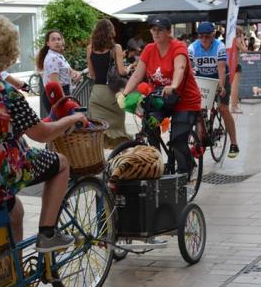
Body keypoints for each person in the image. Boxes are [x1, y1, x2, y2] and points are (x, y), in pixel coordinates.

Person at [0, 16, 84, 287]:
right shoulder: (6, 93)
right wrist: (69, 121)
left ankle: (14, 281)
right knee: (61, 164)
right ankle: (47, 232)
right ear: (6, 53)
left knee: (15, 211)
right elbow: (41, 134)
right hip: (7, 166)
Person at [120, 16, 203, 177]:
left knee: (178, 140)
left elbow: (180, 67)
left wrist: (173, 85)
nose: (155, 33)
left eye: (160, 30)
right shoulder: (149, 49)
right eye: (153, 29)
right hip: (162, 99)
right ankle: (156, 161)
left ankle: (186, 172)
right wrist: (124, 93)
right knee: (149, 125)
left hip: (185, 100)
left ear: (168, 32)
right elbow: (137, 75)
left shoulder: (178, 47)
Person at [188, 22, 240, 158]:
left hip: (219, 78)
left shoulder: (219, 46)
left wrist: (221, 86)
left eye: (207, 36)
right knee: (200, 110)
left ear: (213, 35)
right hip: (202, 79)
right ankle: (199, 143)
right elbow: (188, 69)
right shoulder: (192, 47)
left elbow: (221, 69)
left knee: (223, 108)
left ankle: (234, 143)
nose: (204, 39)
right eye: (201, 37)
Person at [86, 19, 132, 148]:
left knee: (99, 132)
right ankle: (118, 159)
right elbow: (122, 71)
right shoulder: (116, 48)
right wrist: (129, 69)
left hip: (97, 94)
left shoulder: (90, 48)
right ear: (111, 31)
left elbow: (92, 74)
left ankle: (99, 162)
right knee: (118, 131)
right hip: (113, 93)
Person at [36, 30, 81, 113]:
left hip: (60, 93)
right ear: (48, 43)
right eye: (53, 39)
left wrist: (76, 74)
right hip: (56, 95)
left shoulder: (58, 56)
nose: (57, 42)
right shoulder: (52, 58)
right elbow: (55, 83)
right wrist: (65, 100)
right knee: (63, 124)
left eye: (59, 39)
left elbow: (71, 71)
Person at [229, 26, 247, 114]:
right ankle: (234, 106)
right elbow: (245, 50)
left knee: (234, 86)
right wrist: (243, 40)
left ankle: (234, 106)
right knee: (235, 87)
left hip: (231, 63)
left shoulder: (230, 39)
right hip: (234, 63)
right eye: (241, 33)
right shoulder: (236, 39)